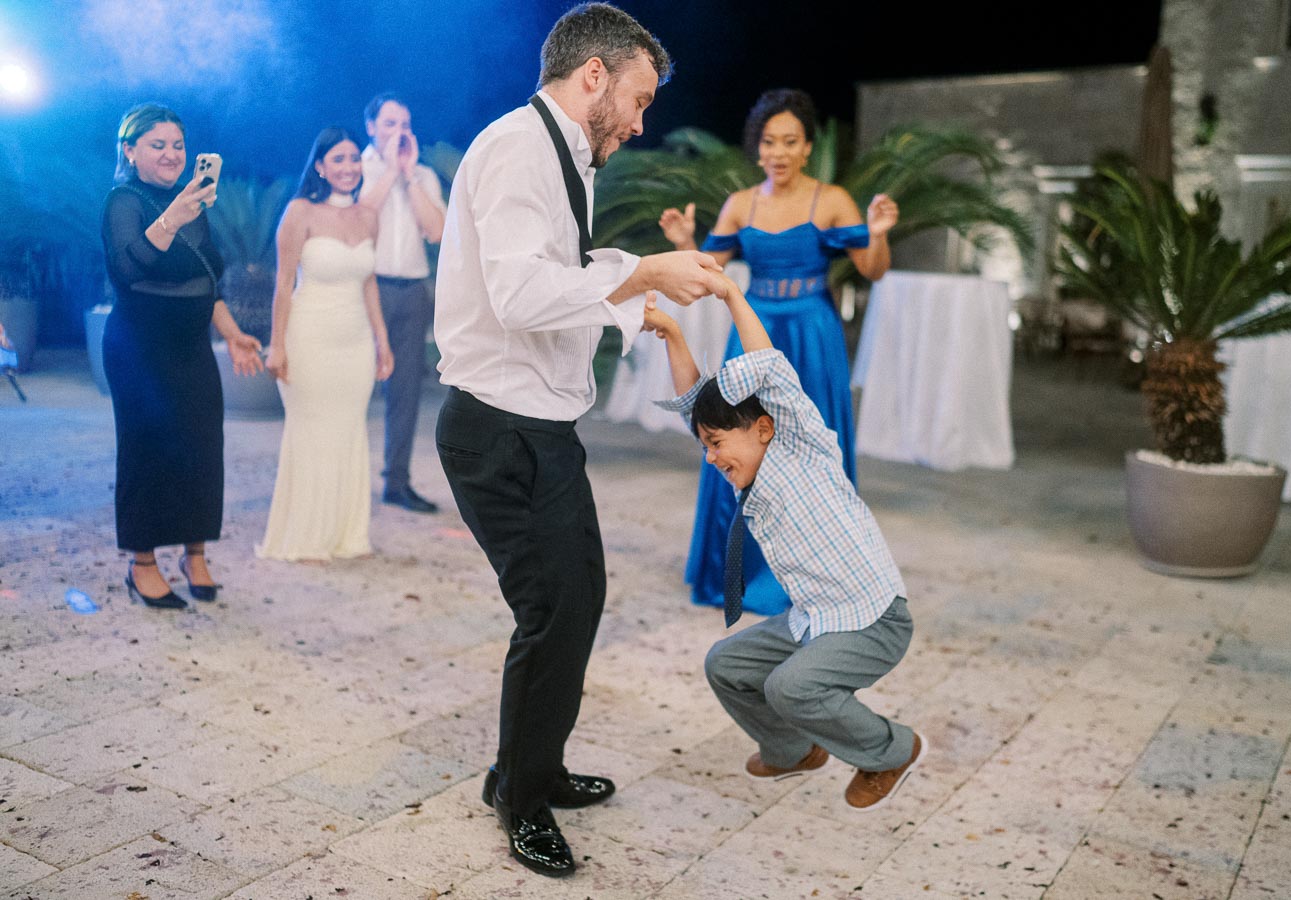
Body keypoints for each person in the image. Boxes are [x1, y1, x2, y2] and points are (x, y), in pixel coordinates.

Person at [433, 1, 727, 878]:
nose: (641, 123)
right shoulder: (520, 148)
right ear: (591, 75)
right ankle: (518, 800)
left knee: (581, 597)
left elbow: (557, 286)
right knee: (552, 608)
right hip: (497, 427)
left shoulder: (569, 153)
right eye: (638, 99)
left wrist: (640, 302)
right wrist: (642, 270)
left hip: (544, 424)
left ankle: (535, 765)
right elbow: (523, 295)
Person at [646, 276, 925, 814]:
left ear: (766, 427)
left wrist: (730, 295)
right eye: (706, 446)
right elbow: (694, 408)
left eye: (718, 444)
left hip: (872, 619)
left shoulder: (802, 445)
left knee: (791, 688)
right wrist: (673, 335)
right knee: (726, 664)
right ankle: (793, 749)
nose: (711, 457)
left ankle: (890, 750)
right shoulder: (744, 471)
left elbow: (768, 363)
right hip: (816, 617)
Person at [658, 88, 899, 618]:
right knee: (737, 439)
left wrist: (877, 234)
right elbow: (707, 269)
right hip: (752, 328)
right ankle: (738, 574)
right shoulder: (740, 203)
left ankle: (819, 573)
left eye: (790, 141)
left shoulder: (831, 199)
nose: (779, 152)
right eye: (769, 141)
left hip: (812, 333)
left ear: (808, 147)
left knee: (811, 444)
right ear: (757, 147)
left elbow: (872, 269)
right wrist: (683, 242)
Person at [101, 102, 264, 610]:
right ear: (130, 151)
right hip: (138, 350)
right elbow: (129, 268)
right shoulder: (122, 201)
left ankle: (195, 554)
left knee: (200, 447)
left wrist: (234, 334)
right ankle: (143, 564)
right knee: (147, 451)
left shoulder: (193, 204)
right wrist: (172, 217)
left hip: (192, 347)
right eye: (157, 145)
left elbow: (206, 279)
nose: (171, 154)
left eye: (177, 145)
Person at [257, 127, 394, 561]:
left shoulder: (369, 216)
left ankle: (347, 536)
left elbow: (369, 282)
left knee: (349, 431)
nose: (349, 167)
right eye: (338, 159)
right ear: (320, 167)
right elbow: (282, 285)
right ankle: (306, 537)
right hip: (309, 337)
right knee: (314, 430)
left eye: (355, 158)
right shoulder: (300, 212)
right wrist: (276, 346)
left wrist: (382, 342)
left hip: (355, 343)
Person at [360, 93, 447, 514]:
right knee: (353, 384)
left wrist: (408, 175)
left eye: (406, 124)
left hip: (412, 289)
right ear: (371, 126)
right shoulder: (353, 168)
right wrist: (389, 171)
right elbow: (357, 219)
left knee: (406, 389)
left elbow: (438, 231)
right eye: (391, 123)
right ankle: (345, 480)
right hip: (365, 285)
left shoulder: (424, 175)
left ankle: (397, 481)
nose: (400, 132)